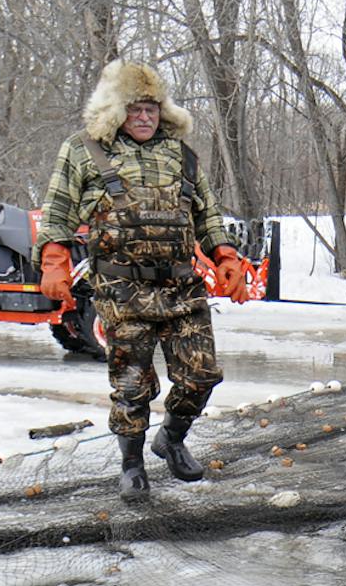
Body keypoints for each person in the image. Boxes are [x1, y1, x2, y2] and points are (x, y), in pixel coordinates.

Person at [36, 60, 255, 502]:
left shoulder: (182, 155)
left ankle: (171, 438)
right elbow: (57, 210)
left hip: (181, 288)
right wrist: (54, 261)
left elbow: (208, 215)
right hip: (120, 289)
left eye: (152, 108)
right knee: (132, 386)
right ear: (116, 109)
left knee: (202, 375)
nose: (144, 117)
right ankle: (132, 464)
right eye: (135, 108)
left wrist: (226, 256)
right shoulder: (84, 150)